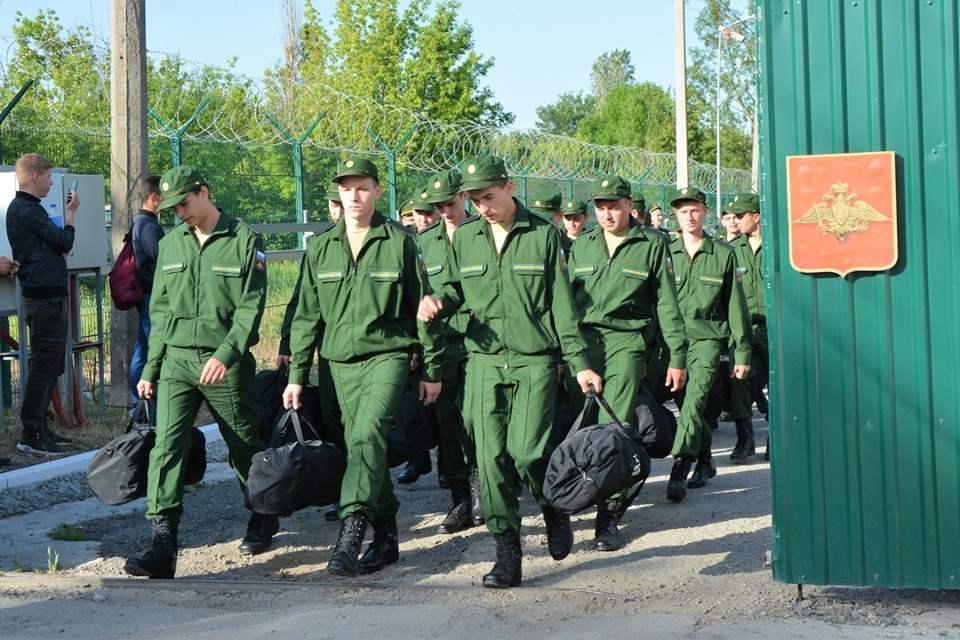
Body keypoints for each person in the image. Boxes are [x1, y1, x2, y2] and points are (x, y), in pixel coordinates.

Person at [418, 154, 603, 589]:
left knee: (526, 452)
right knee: (490, 458)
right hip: (483, 361)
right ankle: (507, 551)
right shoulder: (464, 238)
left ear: (509, 187)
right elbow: (455, 289)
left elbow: (562, 304)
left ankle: (552, 504)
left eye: (489, 197)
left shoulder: (543, 235)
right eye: (475, 200)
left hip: (533, 358)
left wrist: (579, 363)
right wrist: (439, 302)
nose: (483, 207)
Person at [283, 157, 444, 578]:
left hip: (387, 356)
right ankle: (388, 534)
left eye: (362, 188)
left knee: (369, 434)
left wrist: (429, 368)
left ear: (377, 191)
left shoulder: (400, 242)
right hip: (337, 363)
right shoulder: (320, 247)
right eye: (346, 188)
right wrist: (298, 375)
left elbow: (422, 309)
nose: (354, 196)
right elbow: (306, 317)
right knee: (360, 448)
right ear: (338, 194)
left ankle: (352, 530)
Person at [124, 166, 271, 579]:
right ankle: (163, 543)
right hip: (177, 362)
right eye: (172, 209)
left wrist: (226, 354)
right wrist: (150, 368)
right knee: (168, 447)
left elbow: (250, 307)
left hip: (225, 363)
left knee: (242, 442)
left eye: (185, 204)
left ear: (204, 192)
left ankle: (262, 514)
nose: (180, 214)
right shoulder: (171, 245)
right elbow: (161, 311)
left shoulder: (245, 240)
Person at [567, 175, 687, 551]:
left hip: (627, 341)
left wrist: (678, 356)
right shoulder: (582, 246)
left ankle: (608, 517)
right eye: (600, 208)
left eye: (614, 207)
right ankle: (578, 491)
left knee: (612, 428)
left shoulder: (651, 245)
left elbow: (667, 305)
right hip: (585, 343)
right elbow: (565, 304)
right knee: (578, 426)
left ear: (628, 206)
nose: (607, 215)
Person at [665, 187, 751, 503]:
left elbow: (735, 307)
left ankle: (680, 464)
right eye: (683, 211)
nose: (689, 216)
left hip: (707, 340)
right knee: (689, 403)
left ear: (705, 212)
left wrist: (741, 351)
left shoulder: (723, 255)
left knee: (694, 400)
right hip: (672, 342)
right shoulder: (664, 253)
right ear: (676, 215)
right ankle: (704, 459)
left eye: (695, 210)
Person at [417, 170, 482, 532]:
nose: (445, 211)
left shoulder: (483, 235)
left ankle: (482, 486)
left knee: (477, 420)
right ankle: (460, 499)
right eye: (438, 206)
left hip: (480, 342)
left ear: (464, 199)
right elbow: (417, 297)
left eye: (451, 203)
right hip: (441, 346)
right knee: (447, 423)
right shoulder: (425, 243)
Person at [6, 153, 79, 455]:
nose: (51, 183)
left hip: (48, 294)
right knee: (43, 366)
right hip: (44, 297)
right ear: (35, 176)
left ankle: (41, 426)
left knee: (49, 365)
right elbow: (63, 241)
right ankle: (31, 430)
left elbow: (51, 246)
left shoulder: (27, 209)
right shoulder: (27, 209)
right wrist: (71, 216)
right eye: (49, 177)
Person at [728, 193, 769, 462]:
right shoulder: (732, 249)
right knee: (739, 381)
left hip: (773, 326)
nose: (735, 220)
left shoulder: (778, 244)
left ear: (756, 216)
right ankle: (746, 438)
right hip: (743, 328)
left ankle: (776, 438)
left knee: (779, 385)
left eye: (740, 215)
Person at [129, 176, 165, 415]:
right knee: (152, 349)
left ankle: (139, 402)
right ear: (154, 198)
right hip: (152, 294)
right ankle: (143, 401)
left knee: (144, 347)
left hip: (146, 293)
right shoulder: (148, 226)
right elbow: (165, 259)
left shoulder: (140, 223)